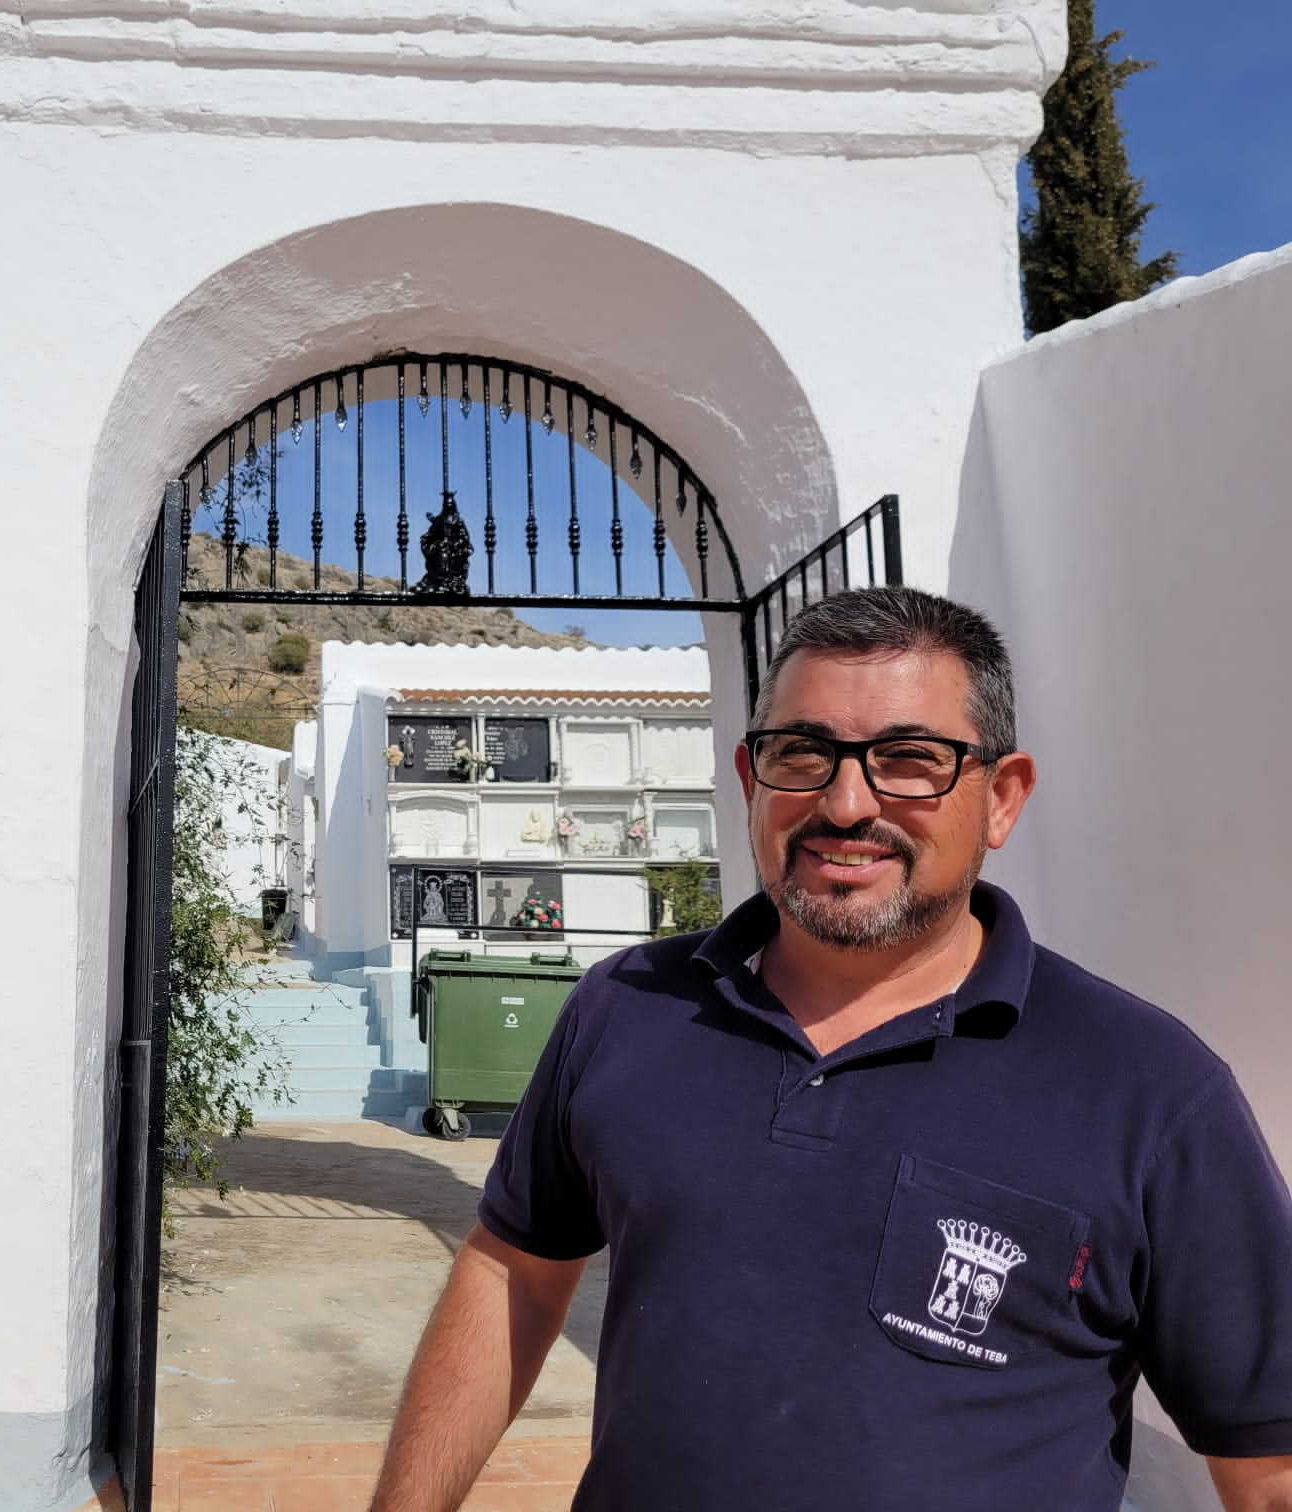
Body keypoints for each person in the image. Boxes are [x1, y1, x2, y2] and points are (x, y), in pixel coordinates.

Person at [368, 586, 1292, 1512]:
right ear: (750, 780)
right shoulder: (629, 1008)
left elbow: (1269, 1466)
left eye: (911, 760)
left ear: (1001, 799)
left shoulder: (1151, 1090)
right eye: (803, 752)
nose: (846, 803)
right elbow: (513, 1271)